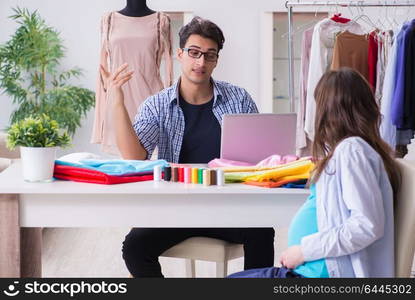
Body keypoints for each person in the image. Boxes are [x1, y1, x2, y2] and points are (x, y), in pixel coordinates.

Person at [100, 16, 275, 277]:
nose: (201, 62)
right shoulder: (157, 105)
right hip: (178, 209)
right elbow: (135, 157)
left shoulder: (238, 99)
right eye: (194, 53)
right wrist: (116, 102)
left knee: (262, 231)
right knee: (135, 248)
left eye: (209, 55)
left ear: (216, 60)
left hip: (230, 207)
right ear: (179, 54)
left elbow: (259, 156)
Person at [229, 68, 401, 278]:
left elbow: (366, 226)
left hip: (318, 274)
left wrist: (303, 251)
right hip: (308, 269)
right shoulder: (352, 150)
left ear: (330, 111)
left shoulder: (352, 150)